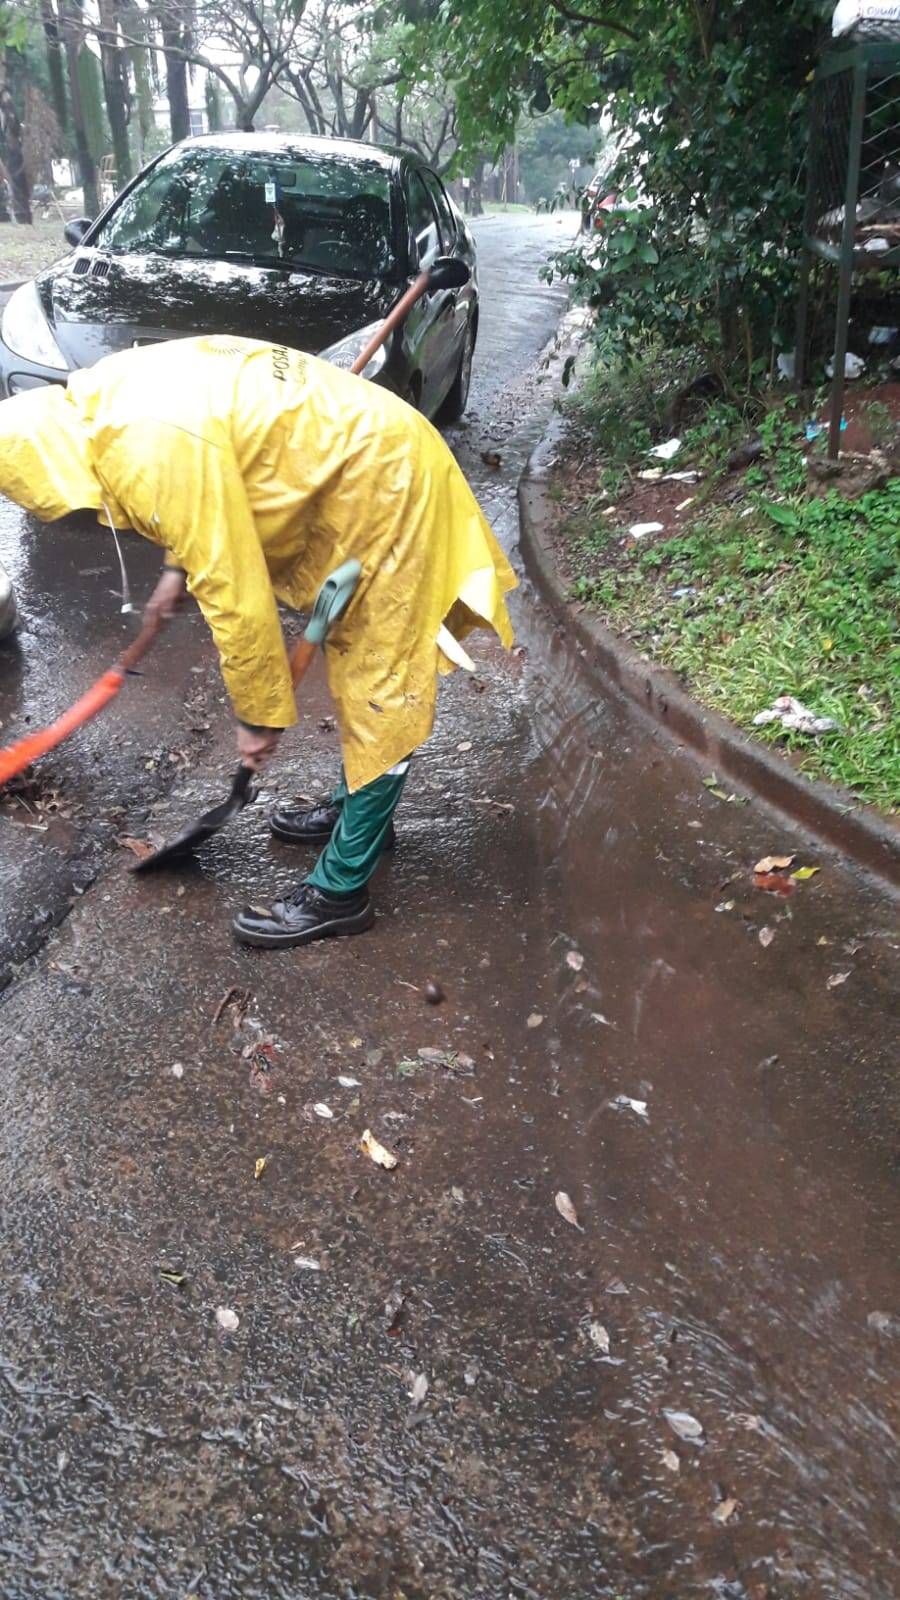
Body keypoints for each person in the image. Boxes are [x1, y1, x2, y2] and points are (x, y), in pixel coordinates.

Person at [0, 335, 516, 947]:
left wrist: (260, 716)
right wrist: (176, 569)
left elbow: (237, 596)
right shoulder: (103, 405)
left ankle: (341, 893)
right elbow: (204, 481)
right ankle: (357, 812)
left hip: (388, 486)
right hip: (359, 464)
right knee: (364, 672)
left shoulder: (147, 447)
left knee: (380, 688)